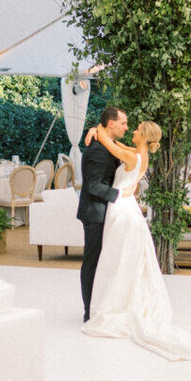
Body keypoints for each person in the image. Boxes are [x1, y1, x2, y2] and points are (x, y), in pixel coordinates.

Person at [81, 119, 191, 361]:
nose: (132, 130)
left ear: (144, 136)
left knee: (117, 259)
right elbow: (114, 143)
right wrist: (97, 131)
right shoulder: (137, 153)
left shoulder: (134, 157)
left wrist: (97, 131)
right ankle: (110, 300)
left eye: (136, 129)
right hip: (125, 207)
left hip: (122, 209)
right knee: (119, 259)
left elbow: (108, 142)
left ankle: (111, 304)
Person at [77, 107, 128, 323]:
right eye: (123, 123)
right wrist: (119, 195)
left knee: (103, 262)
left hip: (106, 212)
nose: (126, 127)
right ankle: (89, 312)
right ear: (111, 123)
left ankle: (101, 306)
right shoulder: (98, 149)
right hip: (95, 213)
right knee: (92, 261)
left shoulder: (111, 145)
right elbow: (93, 185)